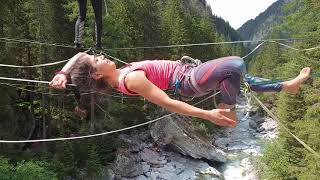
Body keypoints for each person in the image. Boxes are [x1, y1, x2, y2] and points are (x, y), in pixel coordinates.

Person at [49, 52, 311, 128]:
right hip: (188, 81)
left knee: (239, 76)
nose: (101, 56)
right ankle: (228, 111)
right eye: (98, 60)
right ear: (97, 74)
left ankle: (285, 86)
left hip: (188, 74)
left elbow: (80, 54)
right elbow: (168, 103)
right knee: (235, 64)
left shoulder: (119, 75)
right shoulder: (131, 80)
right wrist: (208, 115)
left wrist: (62, 73)